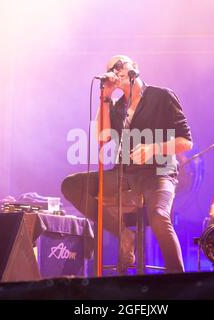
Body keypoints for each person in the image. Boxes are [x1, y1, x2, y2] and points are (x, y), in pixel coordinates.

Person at [61, 55, 193, 273]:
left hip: (159, 172)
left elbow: (186, 142)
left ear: (136, 68)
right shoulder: (116, 106)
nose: (116, 68)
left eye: (121, 64)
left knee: (159, 215)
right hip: (125, 174)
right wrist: (104, 97)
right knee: (72, 185)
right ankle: (123, 233)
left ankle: (178, 281)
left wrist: (154, 149)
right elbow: (102, 138)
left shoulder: (162, 96)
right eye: (112, 68)